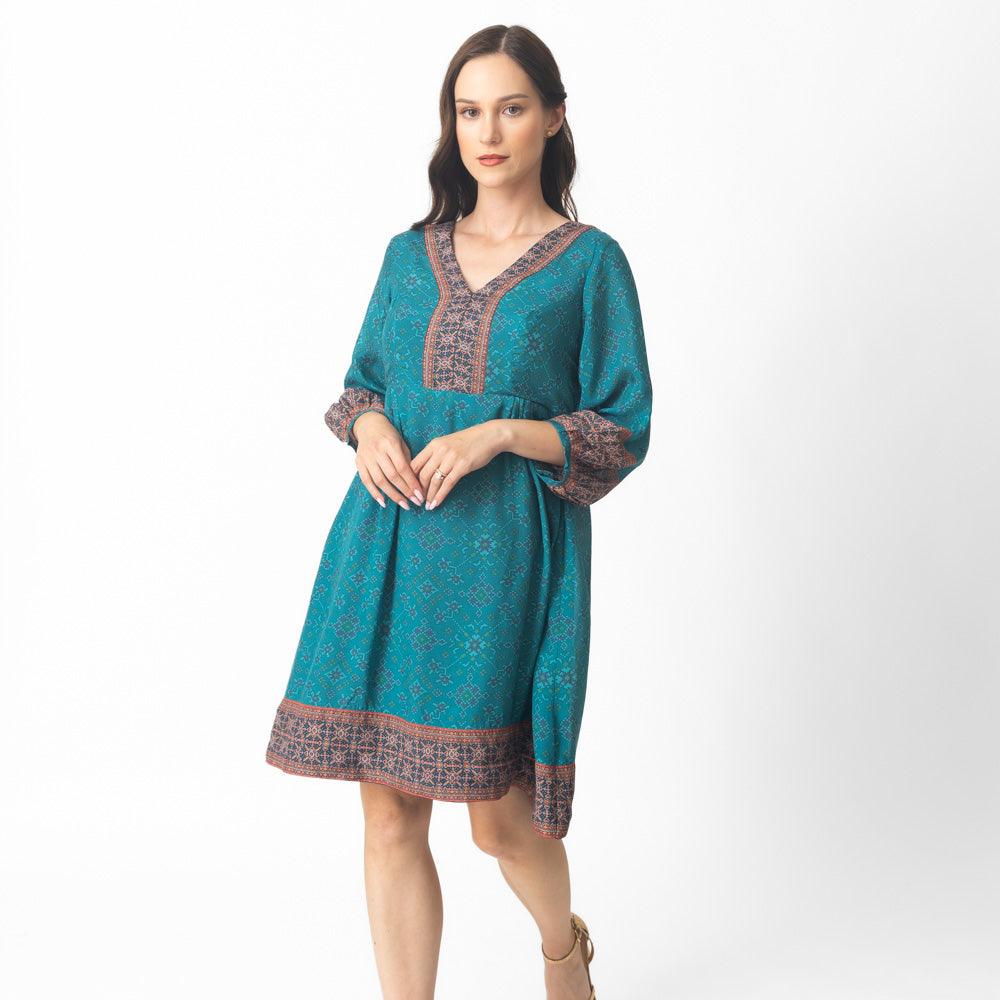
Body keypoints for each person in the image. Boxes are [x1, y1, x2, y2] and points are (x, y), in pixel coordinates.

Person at [265, 23, 653, 1000]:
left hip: (503, 562)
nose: (487, 131)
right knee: (389, 815)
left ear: (552, 118)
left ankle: (562, 945)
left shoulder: (589, 264)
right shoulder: (410, 256)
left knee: (498, 821)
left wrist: (501, 434)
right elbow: (362, 385)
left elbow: (621, 427)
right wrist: (368, 429)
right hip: (388, 546)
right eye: (468, 110)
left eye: (510, 108)